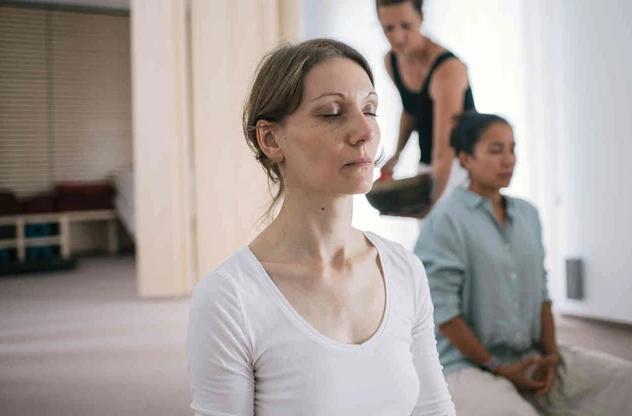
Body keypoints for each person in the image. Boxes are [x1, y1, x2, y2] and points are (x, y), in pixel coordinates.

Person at [187, 38, 456, 416]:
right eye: (332, 113)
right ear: (271, 139)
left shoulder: (404, 270)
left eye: (370, 109)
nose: (365, 131)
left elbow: (433, 408)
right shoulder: (230, 298)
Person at [414, 111, 632, 416]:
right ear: (465, 158)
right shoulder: (445, 219)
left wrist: (552, 354)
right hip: (464, 364)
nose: (509, 160)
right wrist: (497, 367)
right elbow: (443, 312)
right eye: (496, 150)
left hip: (528, 354)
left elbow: (542, 292)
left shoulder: (527, 214)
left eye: (512, 149)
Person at [376, 0, 476, 217]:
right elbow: (410, 109)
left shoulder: (447, 69)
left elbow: (445, 148)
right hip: (428, 163)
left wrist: (430, 205)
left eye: (406, 26)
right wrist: (397, 154)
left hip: (462, 167)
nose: (398, 37)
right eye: (388, 28)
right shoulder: (391, 61)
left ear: (421, 18)